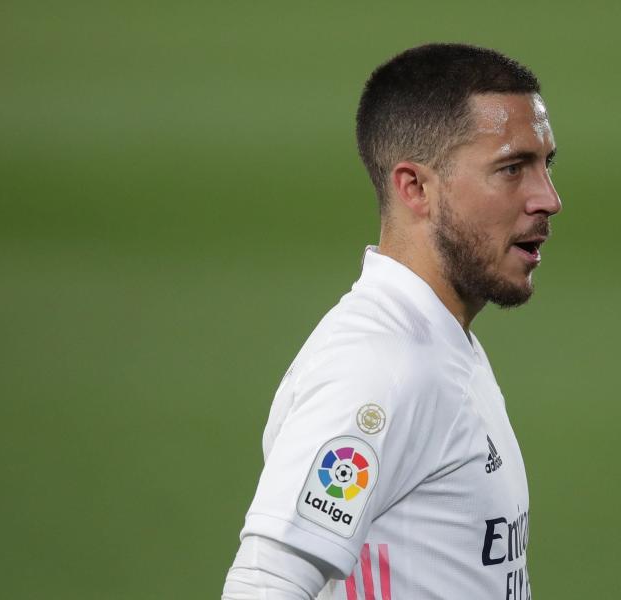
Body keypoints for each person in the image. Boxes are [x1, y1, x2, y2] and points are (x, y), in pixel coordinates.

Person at [223, 43, 561, 600]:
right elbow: (265, 585)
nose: (548, 199)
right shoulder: (380, 366)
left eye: (546, 165)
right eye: (511, 169)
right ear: (415, 188)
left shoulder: (440, 342)